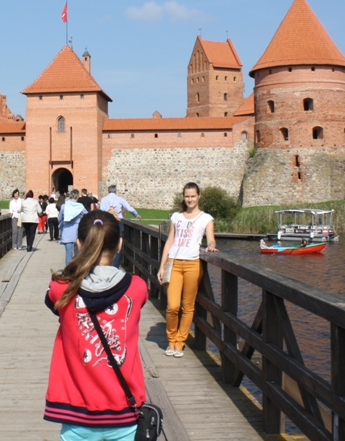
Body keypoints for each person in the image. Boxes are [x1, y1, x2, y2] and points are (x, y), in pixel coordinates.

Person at [44, 210, 148, 440]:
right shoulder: (137, 288)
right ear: (119, 244)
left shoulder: (62, 289)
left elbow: (52, 297)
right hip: (124, 410)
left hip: (76, 411)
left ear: (79, 243)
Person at [157, 182, 217, 357]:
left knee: (188, 306)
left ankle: (180, 342)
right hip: (174, 263)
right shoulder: (176, 217)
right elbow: (169, 242)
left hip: (192, 264)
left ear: (199, 196)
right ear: (184, 197)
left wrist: (211, 246)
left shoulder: (206, 218)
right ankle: (171, 339)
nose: (190, 199)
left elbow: (211, 239)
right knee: (173, 306)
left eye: (193, 196)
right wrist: (162, 266)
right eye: (187, 196)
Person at [99, 185, 140, 268]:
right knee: (119, 242)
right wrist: (136, 215)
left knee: (107, 242)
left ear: (108, 191)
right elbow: (129, 208)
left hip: (107, 222)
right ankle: (116, 265)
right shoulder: (119, 199)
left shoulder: (103, 199)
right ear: (116, 191)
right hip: (118, 221)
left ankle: (106, 262)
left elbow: (101, 212)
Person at [58, 189, 87, 265]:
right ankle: (77, 269)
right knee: (78, 251)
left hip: (67, 230)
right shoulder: (80, 206)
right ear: (77, 196)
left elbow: (59, 218)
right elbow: (87, 215)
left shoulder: (64, 206)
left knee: (68, 252)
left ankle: (68, 270)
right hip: (78, 231)